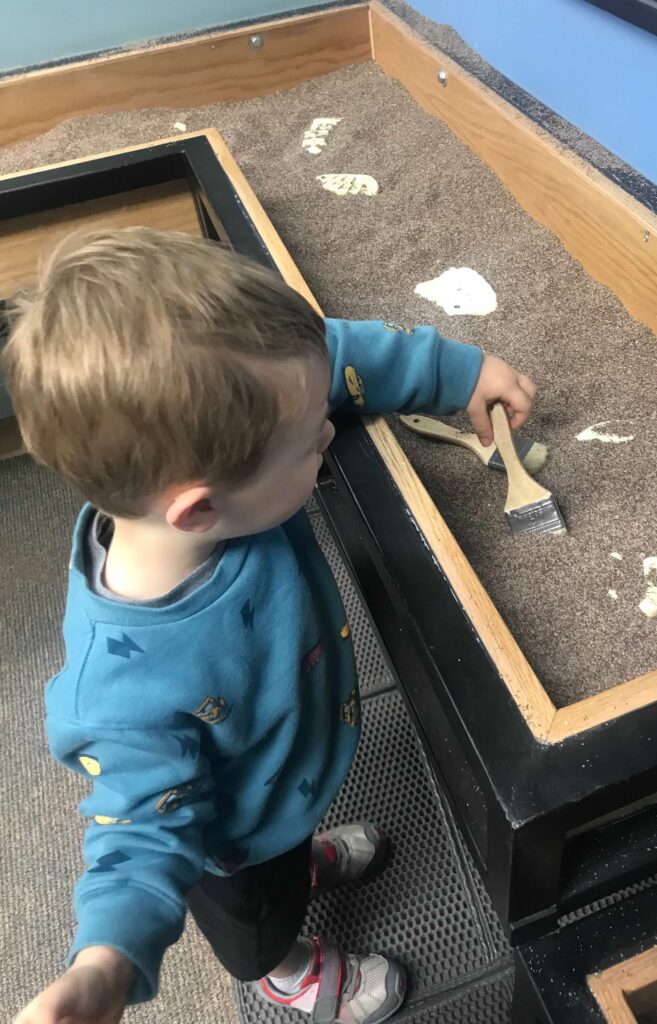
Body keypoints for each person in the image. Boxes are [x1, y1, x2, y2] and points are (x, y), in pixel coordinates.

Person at [3, 228, 535, 1024]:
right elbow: (138, 844)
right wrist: (104, 967)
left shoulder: (220, 463)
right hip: (229, 850)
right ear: (201, 507)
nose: (329, 433)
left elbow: (325, 357)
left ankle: (299, 851)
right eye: (309, 444)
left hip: (281, 770)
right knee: (259, 918)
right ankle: (288, 974)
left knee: (286, 850)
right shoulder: (119, 694)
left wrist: (454, 372)